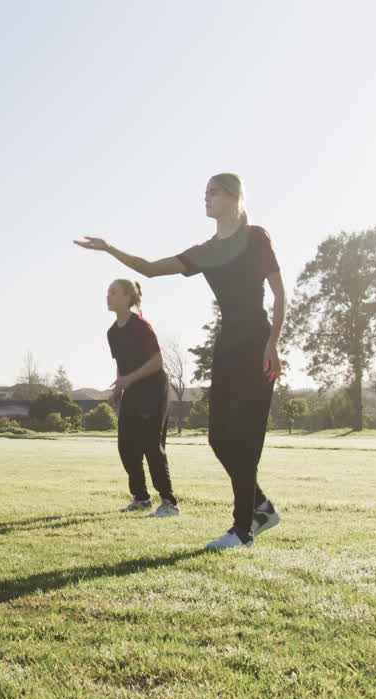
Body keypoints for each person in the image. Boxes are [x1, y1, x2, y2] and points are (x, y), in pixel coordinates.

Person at [75, 173, 285, 550]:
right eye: (204, 193)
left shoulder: (256, 237)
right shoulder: (206, 251)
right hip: (227, 346)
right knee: (219, 437)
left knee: (246, 437)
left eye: (214, 192)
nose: (206, 199)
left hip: (257, 342)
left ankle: (243, 529)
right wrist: (110, 249)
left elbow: (279, 290)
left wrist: (274, 341)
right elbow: (151, 269)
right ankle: (260, 507)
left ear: (235, 197)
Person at [105, 279, 179, 517]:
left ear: (128, 297)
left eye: (113, 292)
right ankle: (141, 498)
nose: (108, 296)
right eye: (108, 292)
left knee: (151, 446)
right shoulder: (112, 332)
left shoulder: (141, 326)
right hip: (132, 390)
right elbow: (121, 365)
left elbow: (157, 362)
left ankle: (169, 502)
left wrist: (130, 379)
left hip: (153, 389)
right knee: (126, 446)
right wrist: (118, 387)